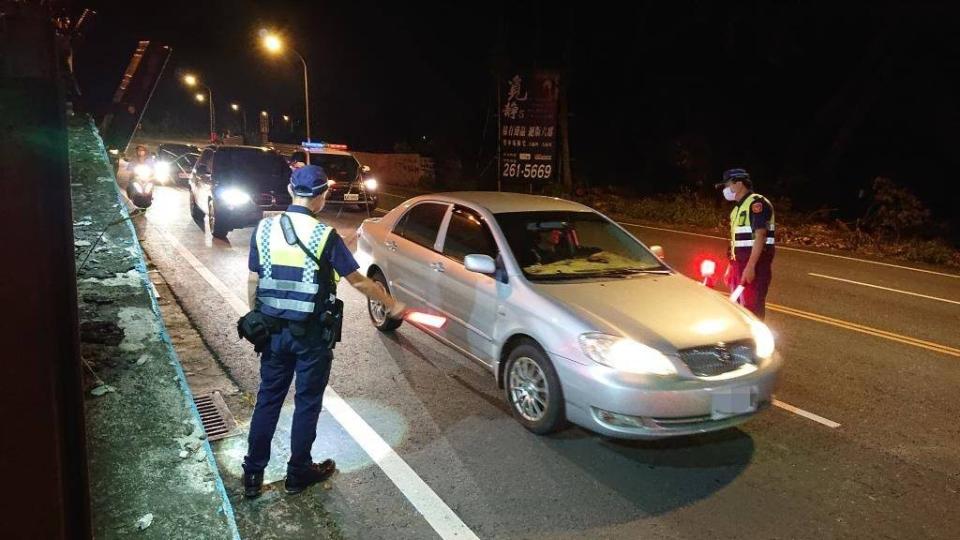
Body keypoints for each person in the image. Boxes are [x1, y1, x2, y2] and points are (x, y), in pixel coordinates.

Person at [242, 164, 406, 498]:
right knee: (306, 403)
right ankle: (297, 472)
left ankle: (252, 475)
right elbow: (357, 280)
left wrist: (256, 316)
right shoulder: (323, 236)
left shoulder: (264, 229)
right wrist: (390, 303)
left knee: (268, 401)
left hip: (271, 333)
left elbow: (253, 280)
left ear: (290, 190)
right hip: (310, 337)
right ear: (322, 195)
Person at [718, 168, 775, 319]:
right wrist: (731, 266)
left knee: (752, 310)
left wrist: (750, 267)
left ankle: (756, 341)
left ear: (739, 184)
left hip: (755, 264)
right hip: (740, 265)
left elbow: (760, 235)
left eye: (727, 184)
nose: (726, 189)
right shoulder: (737, 209)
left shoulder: (756, 203)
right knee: (738, 309)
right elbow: (737, 241)